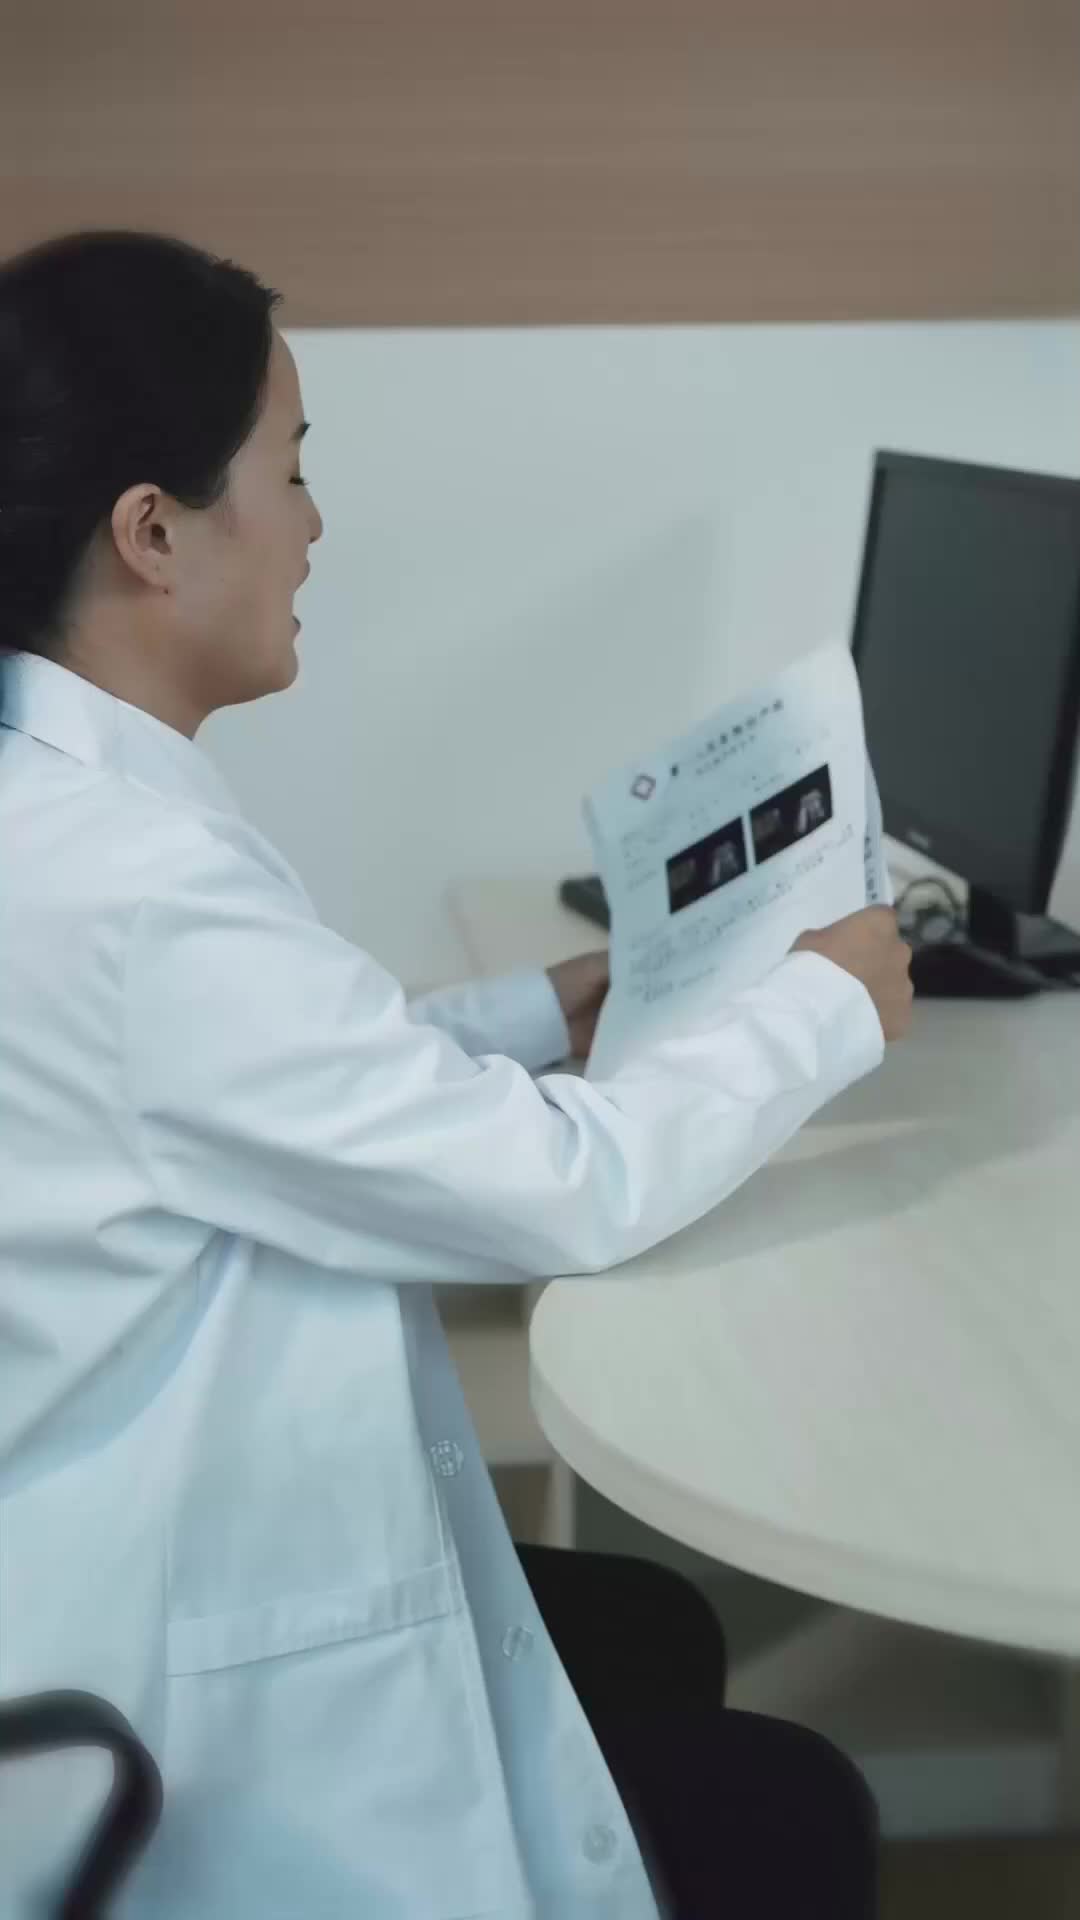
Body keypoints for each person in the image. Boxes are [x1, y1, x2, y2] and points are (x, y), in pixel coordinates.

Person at [0, 230, 913, 1919]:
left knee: (652, 1629)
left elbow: (255, 1090)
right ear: (152, 533)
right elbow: (564, 1192)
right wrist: (826, 1001)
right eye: (290, 469)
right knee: (790, 1811)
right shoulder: (131, 894)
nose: (314, 524)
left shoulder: (59, 819)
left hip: (122, 1551)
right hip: (169, 1709)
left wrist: (537, 1014)